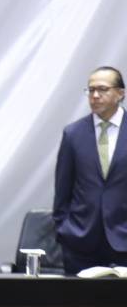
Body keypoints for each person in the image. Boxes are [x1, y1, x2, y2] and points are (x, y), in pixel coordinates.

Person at [54, 66, 127, 275]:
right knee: (78, 298)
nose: (95, 96)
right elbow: (62, 190)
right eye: (91, 90)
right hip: (80, 242)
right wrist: (64, 229)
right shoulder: (73, 134)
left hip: (124, 240)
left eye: (102, 89)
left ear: (120, 93)